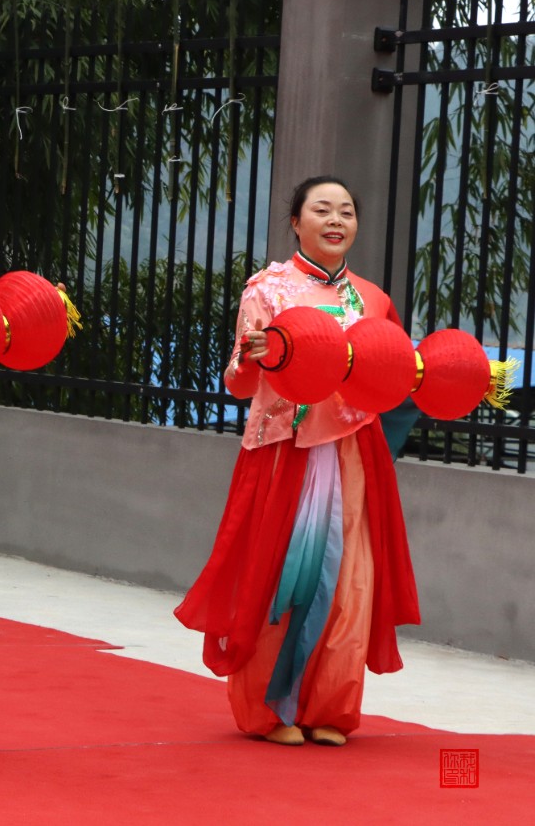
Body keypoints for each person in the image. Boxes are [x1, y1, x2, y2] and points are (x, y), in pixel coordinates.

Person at [175, 175, 421, 747]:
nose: (336, 221)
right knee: (280, 577)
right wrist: (253, 358)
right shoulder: (267, 291)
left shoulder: (373, 300)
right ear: (296, 222)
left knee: (350, 581)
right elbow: (238, 383)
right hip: (285, 452)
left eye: (347, 212)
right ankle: (270, 709)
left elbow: (391, 376)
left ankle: (330, 706)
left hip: (354, 453)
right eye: (323, 210)